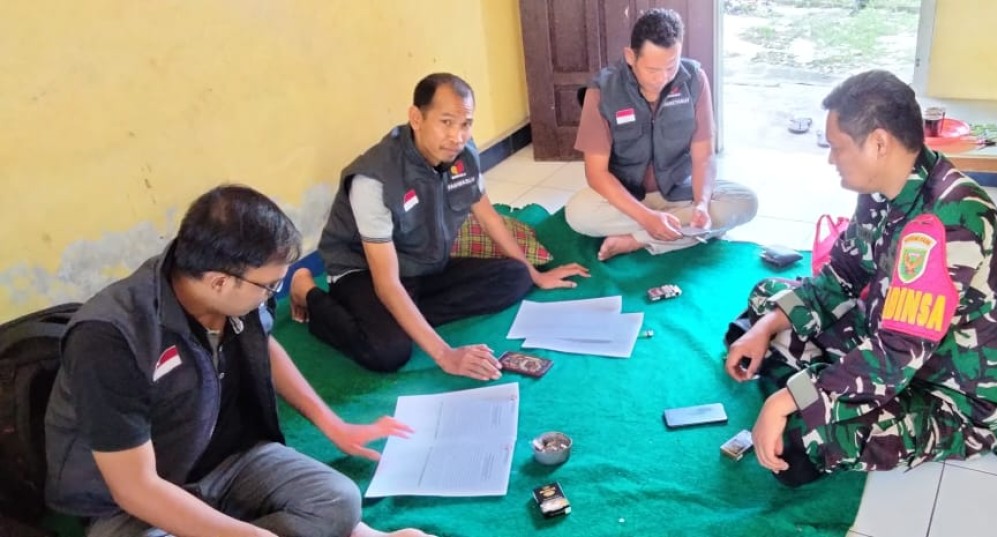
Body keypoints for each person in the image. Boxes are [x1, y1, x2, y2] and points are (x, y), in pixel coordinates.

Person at [43, 185, 433, 537]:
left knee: (340, 501)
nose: (272, 297)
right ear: (219, 282)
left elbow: (262, 347)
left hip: (230, 462)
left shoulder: (235, 293)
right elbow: (135, 488)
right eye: (270, 285)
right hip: (136, 502)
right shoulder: (110, 339)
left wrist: (333, 424)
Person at [723, 70, 997, 487]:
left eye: (837, 148)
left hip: (948, 392)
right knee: (767, 301)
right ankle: (806, 370)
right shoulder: (882, 188)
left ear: (879, 143)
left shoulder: (950, 220)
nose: (830, 159)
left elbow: (895, 355)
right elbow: (843, 274)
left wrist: (787, 401)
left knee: (805, 440)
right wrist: (764, 327)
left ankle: (808, 384)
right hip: (889, 332)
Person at [290, 73, 588, 376]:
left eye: (465, 124)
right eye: (446, 122)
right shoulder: (374, 178)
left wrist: (535, 274)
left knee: (515, 277)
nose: (457, 137)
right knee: (388, 351)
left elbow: (489, 219)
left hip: (424, 265)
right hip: (365, 272)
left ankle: (404, 317)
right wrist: (446, 355)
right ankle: (308, 293)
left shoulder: (463, 155)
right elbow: (387, 282)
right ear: (416, 118)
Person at [565, 8, 758, 261]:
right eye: (653, 70)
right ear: (630, 57)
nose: (663, 78)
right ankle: (677, 229)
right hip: (627, 197)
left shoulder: (694, 80)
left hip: (680, 193)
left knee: (745, 201)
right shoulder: (602, 92)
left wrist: (700, 203)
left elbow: (703, 157)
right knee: (578, 214)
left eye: (671, 66)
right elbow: (596, 174)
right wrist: (646, 217)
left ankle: (636, 240)